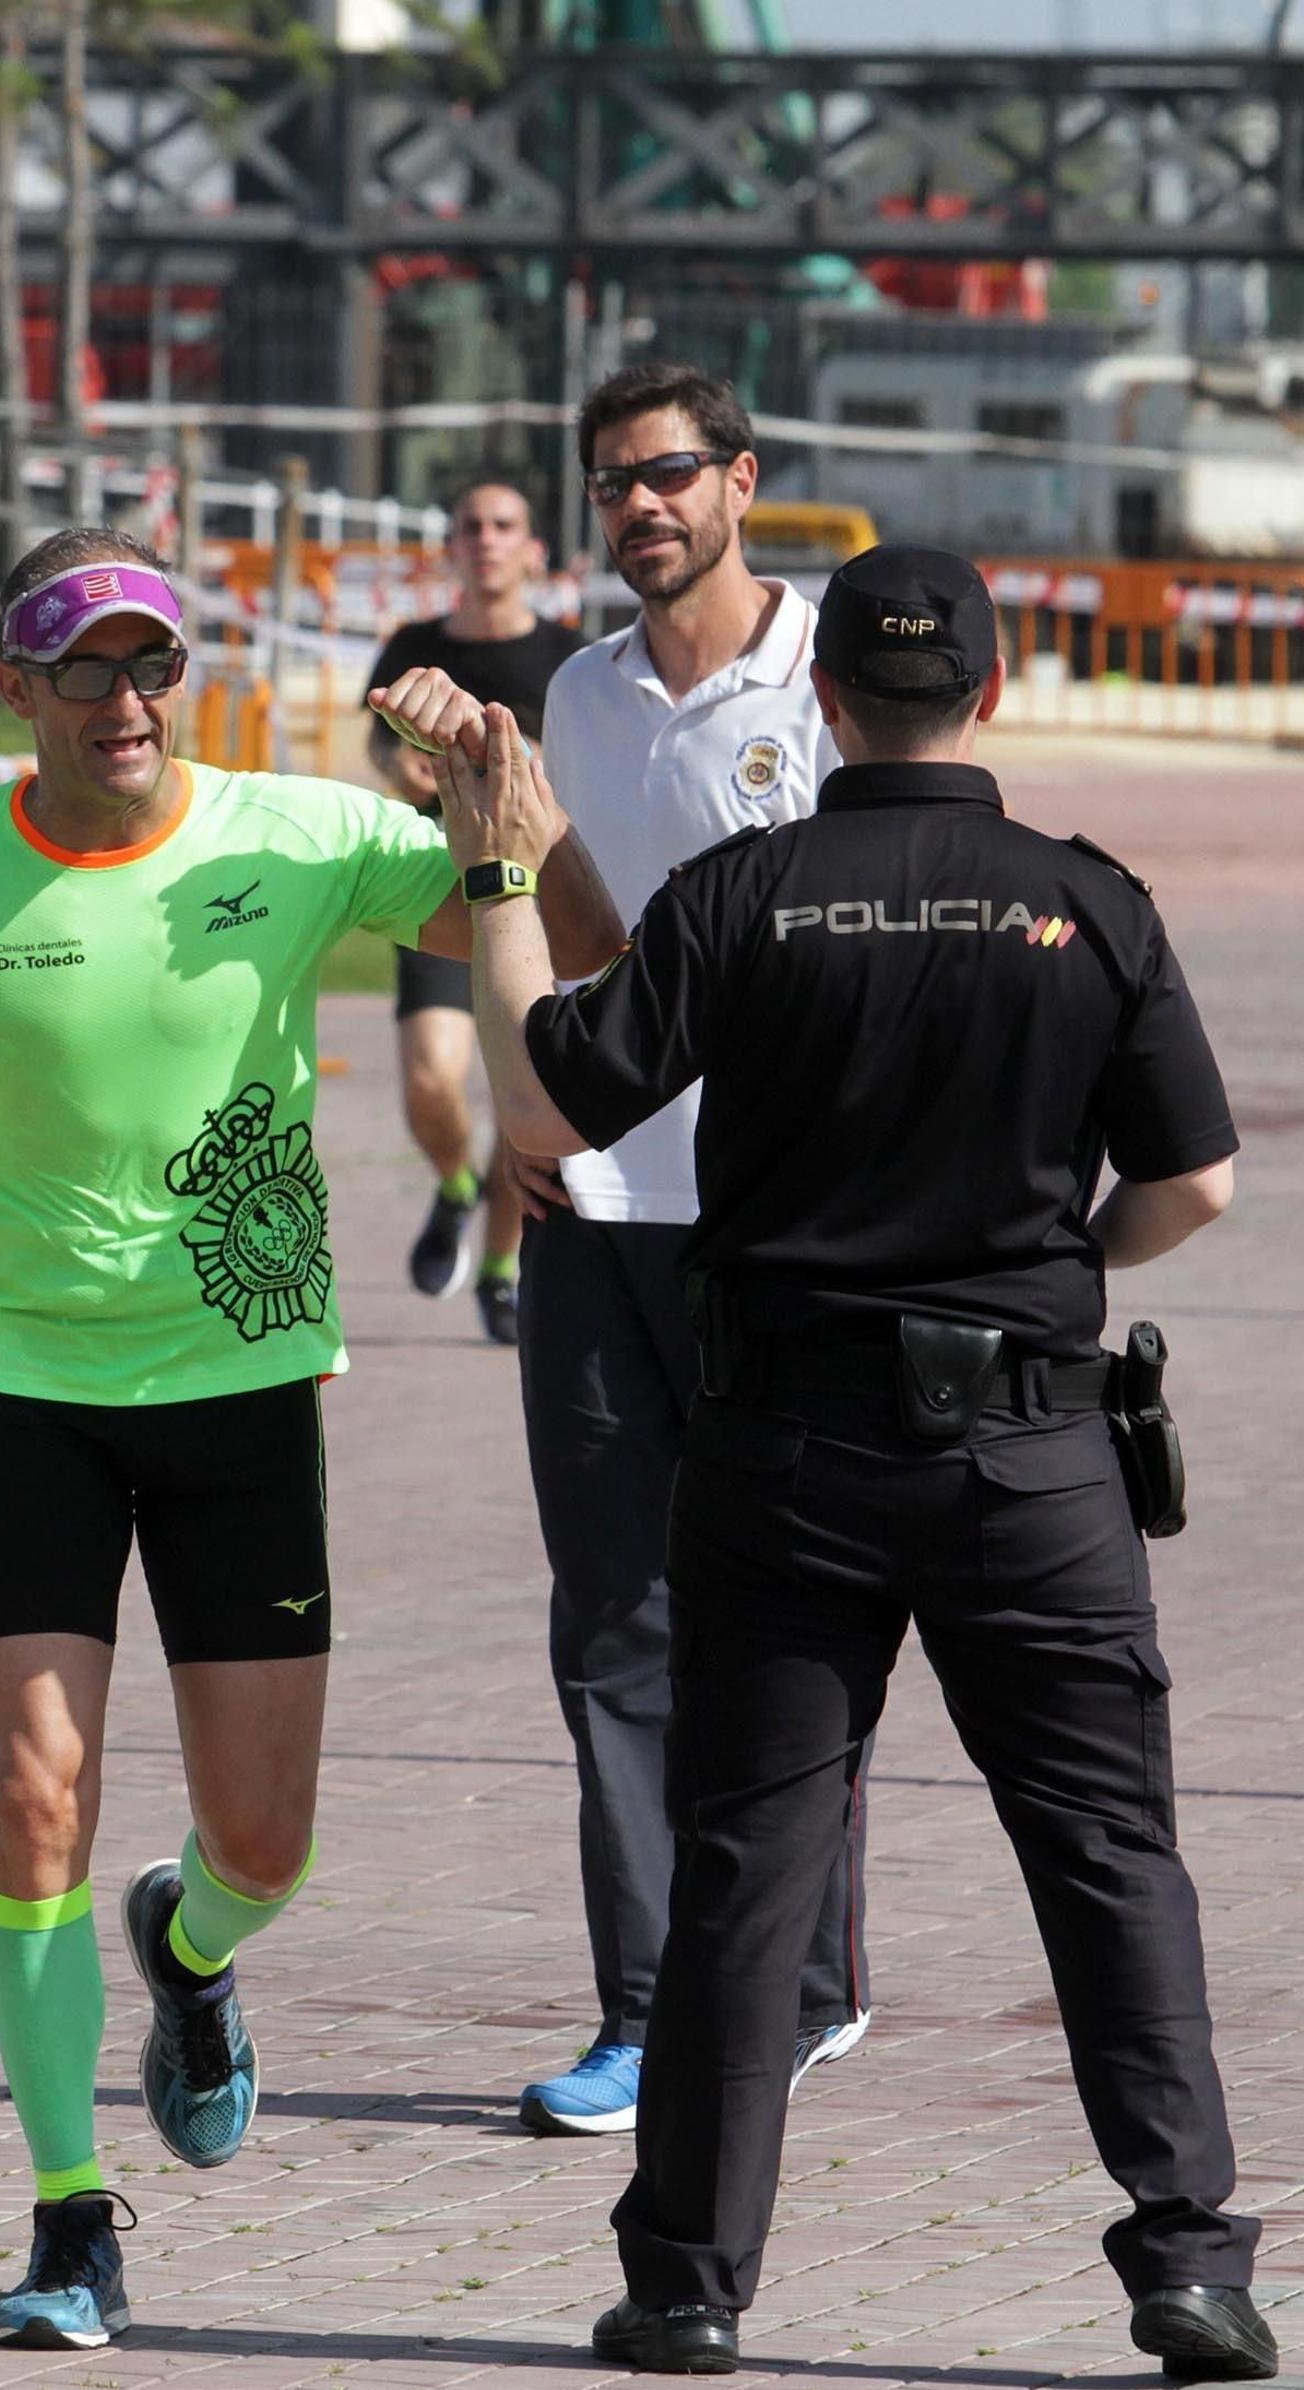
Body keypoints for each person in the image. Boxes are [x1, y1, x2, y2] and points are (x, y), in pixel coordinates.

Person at [0, 528, 622, 2355]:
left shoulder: (295, 838)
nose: (130, 699)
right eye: (89, 667)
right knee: (30, 1793)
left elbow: (579, 927)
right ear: (21, 691)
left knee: (264, 1836)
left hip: (240, 1392)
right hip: (23, 1393)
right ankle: (73, 2213)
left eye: (155, 664)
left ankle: (195, 1948)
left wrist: (495, 794)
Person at [431, 547, 1276, 2384]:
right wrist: (1054, 1283)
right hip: (1034, 1453)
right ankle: (1191, 2262)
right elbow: (1198, 1179)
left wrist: (503, 871)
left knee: (748, 1865)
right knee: (1110, 1852)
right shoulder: (1085, 903)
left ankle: (690, 2284)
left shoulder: (750, 893)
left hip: (787, 1446)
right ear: (991, 690)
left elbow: (547, 1105)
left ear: (827, 700)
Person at [374, 365, 871, 2140]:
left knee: (790, 1613)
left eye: (669, 474)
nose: (640, 505)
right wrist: (477, 795)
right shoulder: (576, 692)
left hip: (782, 1219)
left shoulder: (830, 677)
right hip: (592, 1213)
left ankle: (805, 1985)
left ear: (743, 479)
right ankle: (650, 2010)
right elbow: (576, 930)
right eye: (612, 483)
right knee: (614, 1627)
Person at [365, 478, 583, 1344]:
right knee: (428, 1078)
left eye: (504, 525)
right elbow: (380, 737)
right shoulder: (414, 644)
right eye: (470, 525)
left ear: (532, 549)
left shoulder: (572, 656)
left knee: (518, 1099)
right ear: (450, 547)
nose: (486, 539)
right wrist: (398, 764)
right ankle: (454, 1184)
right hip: (433, 886)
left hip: (531, 894)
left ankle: (500, 1269)